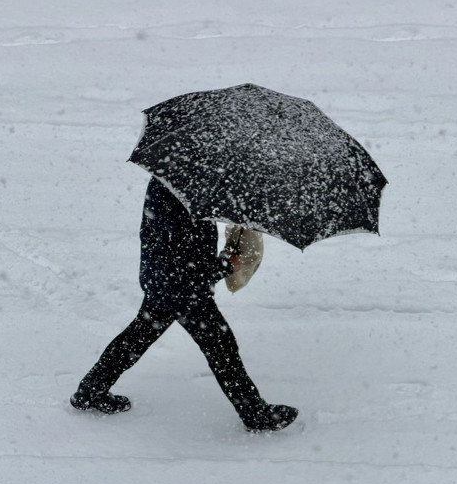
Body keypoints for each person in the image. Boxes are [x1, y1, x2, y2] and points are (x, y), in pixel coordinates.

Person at [70, 176, 298, 432]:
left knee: (137, 337)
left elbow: (177, 249)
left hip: (162, 281)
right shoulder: (183, 194)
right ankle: (255, 414)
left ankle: (90, 390)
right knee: (222, 348)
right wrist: (225, 265)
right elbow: (183, 265)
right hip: (183, 290)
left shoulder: (171, 179)